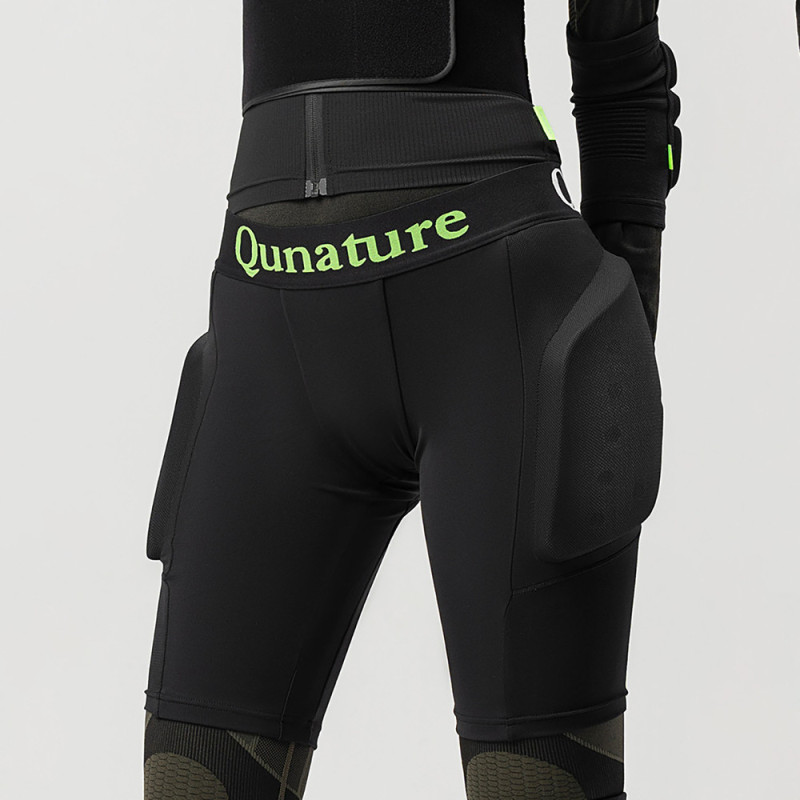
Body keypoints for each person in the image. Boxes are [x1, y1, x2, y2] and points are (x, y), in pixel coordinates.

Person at [142, 2, 681, 798]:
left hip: (499, 320)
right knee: (191, 777)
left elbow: (619, 43)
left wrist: (623, 308)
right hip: (270, 321)